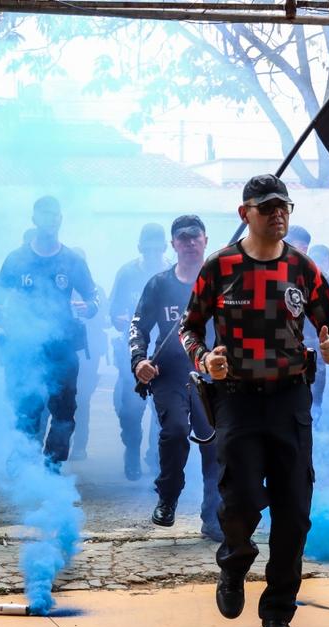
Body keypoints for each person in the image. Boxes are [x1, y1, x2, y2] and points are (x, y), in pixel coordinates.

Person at [178, 174, 329, 627]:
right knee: (241, 501)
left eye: (284, 207)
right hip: (237, 400)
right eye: (267, 207)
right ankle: (234, 563)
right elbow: (190, 328)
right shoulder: (220, 267)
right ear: (245, 213)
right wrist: (204, 360)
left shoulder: (303, 269)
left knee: (294, 512)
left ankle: (277, 612)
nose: (278, 215)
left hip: (290, 400)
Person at [0, 196, 99, 470]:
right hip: (25, 348)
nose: (50, 219)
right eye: (44, 214)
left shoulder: (72, 260)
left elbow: (93, 296)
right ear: (34, 219)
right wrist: (5, 319)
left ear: (60, 219)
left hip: (62, 349)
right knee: (26, 408)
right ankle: (24, 462)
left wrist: (89, 307)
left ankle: (52, 467)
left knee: (64, 412)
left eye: (54, 214)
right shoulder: (17, 259)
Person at [130, 215, 222, 542]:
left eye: (195, 236)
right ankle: (167, 498)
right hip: (169, 374)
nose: (190, 242)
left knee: (214, 443)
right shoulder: (158, 284)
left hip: (211, 375)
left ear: (205, 240)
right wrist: (139, 361)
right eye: (183, 238)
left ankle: (214, 518)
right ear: (173, 244)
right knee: (175, 432)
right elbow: (138, 327)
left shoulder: (220, 284)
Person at [286, 231, 329, 462]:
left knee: (313, 410)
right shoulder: (265, 273)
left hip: (313, 361)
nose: (301, 252)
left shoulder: (321, 278)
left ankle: (314, 461)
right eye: (296, 246)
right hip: (275, 364)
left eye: (304, 248)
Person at [109, 224, 168, 480]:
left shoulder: (171, 272)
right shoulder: (127, 273)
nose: (152, 254)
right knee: (130, 409)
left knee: (163, 409)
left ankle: (155, 456)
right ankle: (132, 449)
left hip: (164, 352)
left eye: (157, 249)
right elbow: (113, 309)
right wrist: (118, 319)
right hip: (133, 351)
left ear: (165, 248)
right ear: (139, 247)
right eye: (148, 249)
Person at [70, 248, 109, 461]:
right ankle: (59, 444)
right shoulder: (60, 287)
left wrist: (88, 310)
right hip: (63, 352)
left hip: (88, 355)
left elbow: (106, 319)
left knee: (82, 399)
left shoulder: (95, 291)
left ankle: (79, 446)